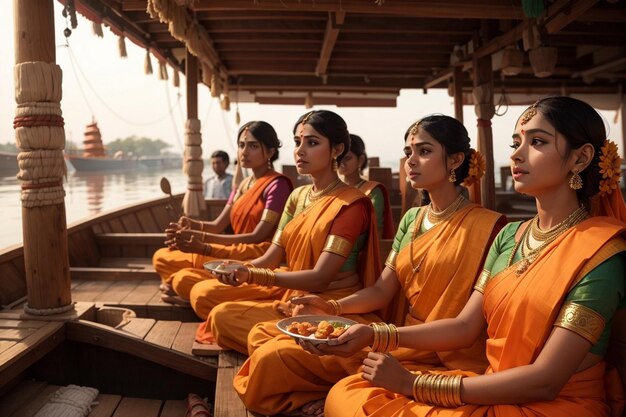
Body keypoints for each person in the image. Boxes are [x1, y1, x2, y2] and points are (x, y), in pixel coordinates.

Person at [321, 97, 626, 417]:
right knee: (348, 393)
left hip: (552, 405)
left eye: (537, 142)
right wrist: (376, 335)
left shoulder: (600, 253)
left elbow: (545, 382)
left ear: (581, 158)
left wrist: (414, 384)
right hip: (492, 387)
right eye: (516, 142)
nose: (516, 154)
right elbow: (465, 327)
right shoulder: (511, 236)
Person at [233, 115, 506, 416]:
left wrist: (377, 334)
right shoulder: (412, 220)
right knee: (271, 355)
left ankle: (323, 392)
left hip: (445, 352)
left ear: (455, 160)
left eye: (424, 152)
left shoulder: (490, 228)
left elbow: (468, 327)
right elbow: (380, 290)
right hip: (400, 340)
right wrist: (332, 309)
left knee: (338, 394)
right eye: (407, 153)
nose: (411, 161)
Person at [193, 110, 382, 353]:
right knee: (221, 316)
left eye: (312, 143)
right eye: (297, 142)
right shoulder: (297, 196)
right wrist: (243, 268)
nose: (300, 150)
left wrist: (252, 276)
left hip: (332, 302)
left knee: (268, 349)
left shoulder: (350, 204)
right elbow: (272, 256)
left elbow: (320, 278)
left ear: (337, 150)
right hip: (294, 297)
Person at [152, 121, 293, 302]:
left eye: (253, 146)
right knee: (162, 256)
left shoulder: (277, 185)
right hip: (236, 248)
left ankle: (182, 287)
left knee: (185, 278)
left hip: (258, 253)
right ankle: (184, 286)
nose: (245, 151)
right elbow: (218, 225)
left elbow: (258, 236)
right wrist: (192, 225)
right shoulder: (242, 184)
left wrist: (202, 240)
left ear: (271, 152)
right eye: (241, 145)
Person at [339, 133, 395, 239]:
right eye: (338, 157)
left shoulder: (373, 192)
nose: (341, 162)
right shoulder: (331, 189)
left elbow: (375, 232)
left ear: (360, 160)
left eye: (347, 158)